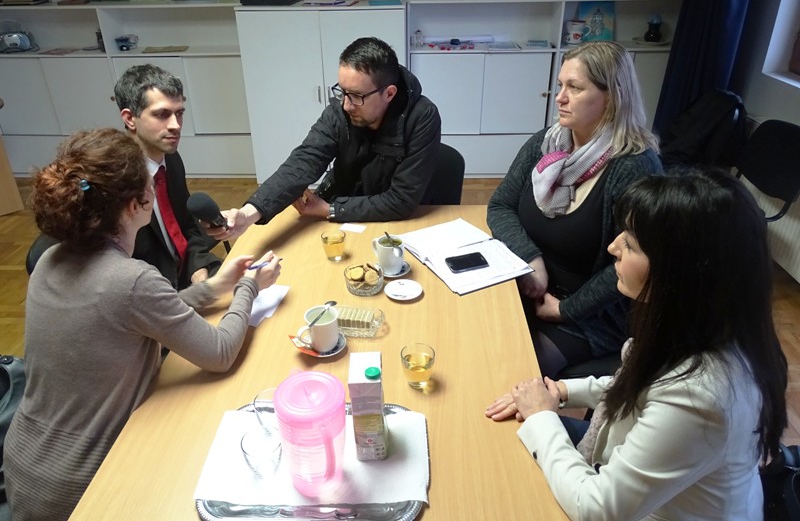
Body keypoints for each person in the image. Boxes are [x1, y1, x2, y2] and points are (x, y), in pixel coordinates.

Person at [3, 128, 282, 520]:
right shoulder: (130, 279)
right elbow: (219, 353)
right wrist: (249, 287)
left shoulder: (49, 261)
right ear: (139, 203)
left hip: (23, 467)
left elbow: (139, 311)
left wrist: (216, 287)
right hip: (83, 490)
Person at [486, 169, 788, 520]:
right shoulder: (702, 327)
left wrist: (542, 415)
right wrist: (564, 391)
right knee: (505, 438)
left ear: (680, 273)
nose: (613, 247)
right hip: (633, 478)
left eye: (630, 244)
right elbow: (639, 387)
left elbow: (598, 509)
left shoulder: (700, 397)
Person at [486, 41, 662, 377]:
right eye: (560, 85)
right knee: (471, 336)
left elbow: (630, 264)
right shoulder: (547, 142)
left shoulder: (635, 167)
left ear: (612, 98)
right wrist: (531, 259)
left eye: (575, 88)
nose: (560, 98)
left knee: (509, 374)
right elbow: (500, 205)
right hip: (526, 284)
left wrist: (565, 309)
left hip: (588, 314)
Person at [207, 36, 442, 241]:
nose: (346, 105)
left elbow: (401, 200)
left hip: (393, 224)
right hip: (341, 213)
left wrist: (330, 209)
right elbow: (304, 161)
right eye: (342, 91)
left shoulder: (422, 117)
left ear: (389, 93)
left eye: (356, 96)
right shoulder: (340, 111)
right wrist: (248, 213)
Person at [115, 64, 221, 290]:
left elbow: (187, 223)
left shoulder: (171, 159)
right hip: (149, 291)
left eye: (179, 114)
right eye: (162, 115)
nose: (176, 126)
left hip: (185, 275)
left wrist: (198, 268)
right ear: (130, 118)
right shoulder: (114, 182)